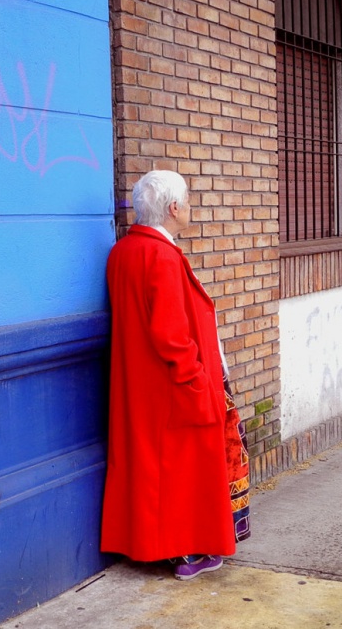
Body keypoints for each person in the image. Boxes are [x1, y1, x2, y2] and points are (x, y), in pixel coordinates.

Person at [101, 169, 249, 580]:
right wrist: (199, 380)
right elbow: (171, 335)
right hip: (172, 386)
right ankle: (184, 554)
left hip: (140, 384)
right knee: (181, 474)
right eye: (187, 199)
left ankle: (155, 547)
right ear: (173, 208)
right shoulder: (162, 257)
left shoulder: (123, 252)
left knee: (151, 471)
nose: (190, 206)